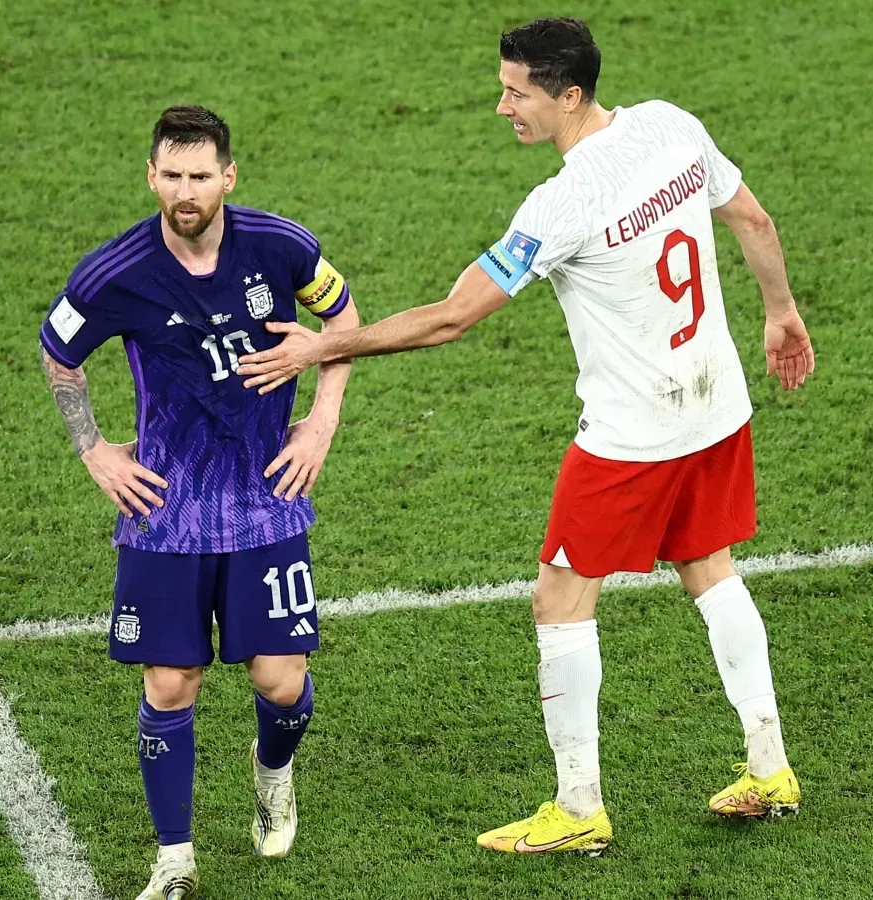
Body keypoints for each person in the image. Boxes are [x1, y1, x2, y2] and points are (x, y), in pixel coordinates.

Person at [237, 18, 814, 855]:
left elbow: (452, 317)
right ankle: (771, 766)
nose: (502, 107)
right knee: (709, 566)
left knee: (559, 601)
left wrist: (322, 346)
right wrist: (781, 312)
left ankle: (578, 809)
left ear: (568, 95)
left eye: (517, 93)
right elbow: (753, 221)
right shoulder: (672, 126)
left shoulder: (564, 202)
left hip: (631, 437)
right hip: (716, 404)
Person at [38, 105, 358, 898]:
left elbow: (343, 319)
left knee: (280, 683)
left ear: (228, 177)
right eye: (173, 176)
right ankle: (174, 859)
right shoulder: (114, 274)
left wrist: (321, 421)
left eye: (201, 175)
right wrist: (94, 449)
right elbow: (58, 352)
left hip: (265, 497)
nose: (187, 191)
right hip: (167, 512)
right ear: (152, 177)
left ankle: (272, 771)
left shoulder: (280, 246)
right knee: (170, 685)